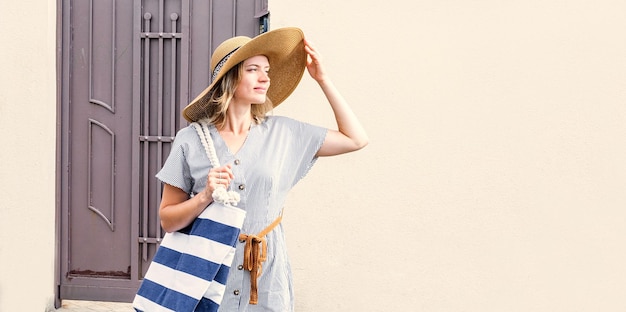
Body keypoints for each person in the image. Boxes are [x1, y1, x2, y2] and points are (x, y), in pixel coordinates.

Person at [156, 27, 368, 311]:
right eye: (253, 69)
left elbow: (356, 139)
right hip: (206, 275)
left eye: (266, 70)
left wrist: (323, 80)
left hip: (267, 278)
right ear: (229, 78)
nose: (265, 77)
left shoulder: (285, 133)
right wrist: (204, 195)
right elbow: (168, 220)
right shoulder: (191, 140)